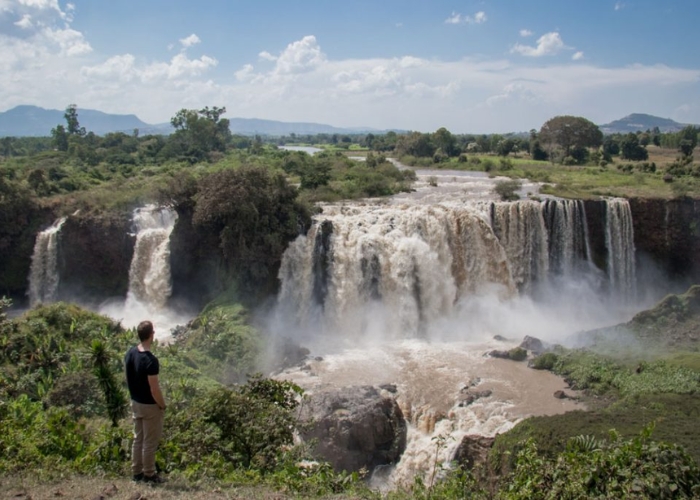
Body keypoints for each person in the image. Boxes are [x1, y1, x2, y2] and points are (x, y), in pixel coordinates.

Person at [124, 320, 166, 483]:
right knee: (149, 442)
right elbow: (154, 389)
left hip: (135, 402)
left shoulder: (130, 353)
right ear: (151, 335)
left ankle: (136, 473)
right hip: (149, 405)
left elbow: (127, 377)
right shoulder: (150, 360)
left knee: (138, 439)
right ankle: (149, 474)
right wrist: (162, 405)